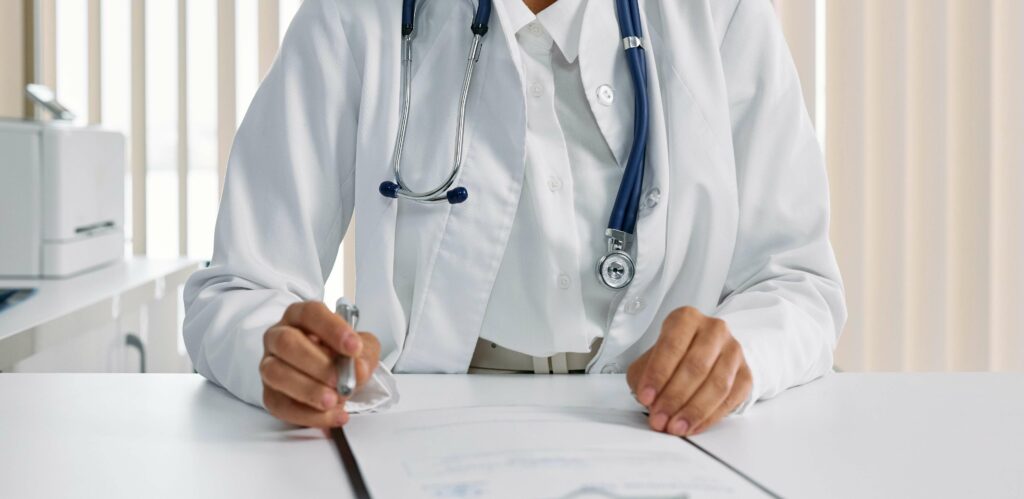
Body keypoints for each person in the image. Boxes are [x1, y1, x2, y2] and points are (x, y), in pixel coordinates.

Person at [183, 0, 846, 437]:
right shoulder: (359, 12)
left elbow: (798, 283)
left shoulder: (717, 11)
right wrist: (277, 354)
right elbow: (235, 291)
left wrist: (735, 354)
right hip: (422, 435)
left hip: (657, 433)